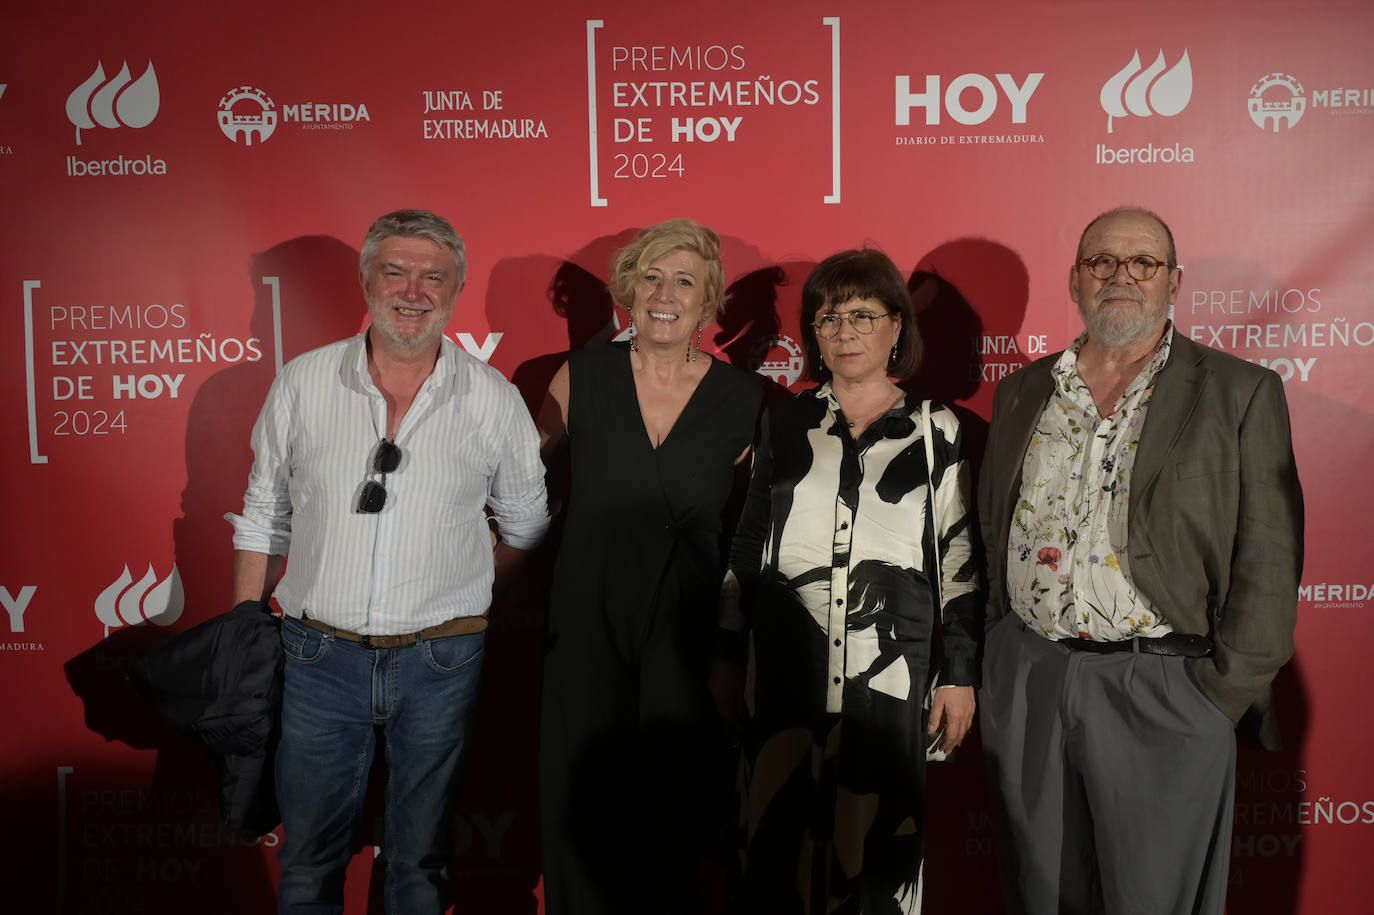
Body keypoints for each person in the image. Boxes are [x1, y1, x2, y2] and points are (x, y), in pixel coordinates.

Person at [978, 207, 1304, 914]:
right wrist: (1000, 656)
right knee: (1040, 898)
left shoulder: (1239, 392)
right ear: (1075, 279)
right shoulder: (1023, 391)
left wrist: (1215, 697)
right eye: (1101, 262)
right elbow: (991, 526)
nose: (1120, 276)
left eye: (1143, 263)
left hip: (1165, 687)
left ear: (1174, 282)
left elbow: (1270, 562)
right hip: (1030, 678)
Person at [228, 209, 549, 913]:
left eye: (434, 277)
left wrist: (462, 597)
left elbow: (526, 526)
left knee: (420, 861)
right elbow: (264, 513)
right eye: (395, 272)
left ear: (456, 289)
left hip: (442, 665)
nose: (413, 291)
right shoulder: (303, 383)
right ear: (366, 280)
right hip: (317, 657)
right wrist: (245, 630)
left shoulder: (494, 399)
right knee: (307, 859)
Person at [721, 248, 981, 914]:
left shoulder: (936, 430)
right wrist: (726, 653)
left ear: (896, 327)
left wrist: (958, 674)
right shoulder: (785, 420)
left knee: (876, 859)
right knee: (777, 851)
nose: (845, 331)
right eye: (829, 317)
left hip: (887, 681)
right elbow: (749, 543)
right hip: (785, 673)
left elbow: (958, 558)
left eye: (863, 315)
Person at [536, 218, 763, 915]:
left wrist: (729, 650)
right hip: (586, 621)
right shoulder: (580, 377)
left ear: (708, 302)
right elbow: (513, 486)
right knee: (582, 809)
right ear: (628, 291)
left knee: (673, 818)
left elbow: (751, 537)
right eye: (651, 278)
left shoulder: (743, 400)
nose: (665, 294)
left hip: (686, 636)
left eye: (684, 282)